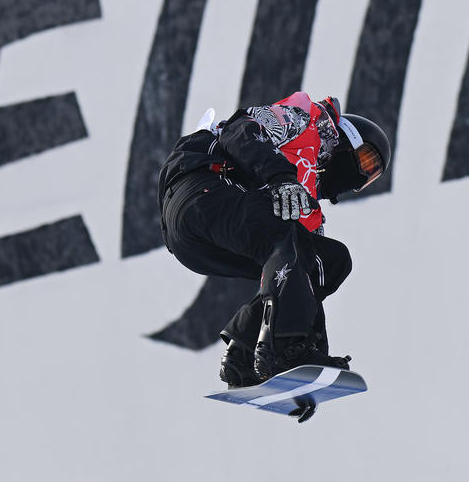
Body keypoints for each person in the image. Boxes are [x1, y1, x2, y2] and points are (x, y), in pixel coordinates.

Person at [157, 91, 390, 388]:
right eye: (366, 161)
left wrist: (315, 369)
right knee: (286, 242)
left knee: (328, 260)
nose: (361, 178)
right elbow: (239, 130)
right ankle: (283, 350)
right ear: (347, 141)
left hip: (192, 241)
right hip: (203, 188)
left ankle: (242, 357)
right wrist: (281, 177)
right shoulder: (307, 122)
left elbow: (303, 286)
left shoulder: (304, 204)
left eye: (371, 176)